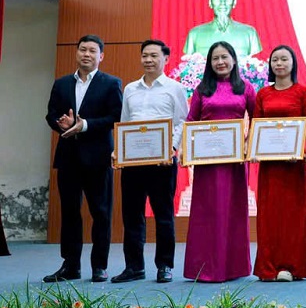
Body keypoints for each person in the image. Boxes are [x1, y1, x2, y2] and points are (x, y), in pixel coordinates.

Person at [43, 34, 122, 283]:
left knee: (101, 213)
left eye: (92, 51)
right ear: (76, 53)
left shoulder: (111, 83)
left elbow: (116, 116)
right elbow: (51, 114)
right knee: (69, 213)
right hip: (68, 157)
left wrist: (85, 125)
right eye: (82, 50)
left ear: (101, 56)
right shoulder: (61, 83)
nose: (86, 54)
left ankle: (99, 266)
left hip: (98, 158)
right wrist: (62, 124)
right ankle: (70, 266)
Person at [112, 39, 188, 284]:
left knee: (163, 215)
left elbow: (182, 121)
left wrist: (172, 148)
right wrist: (118, 150)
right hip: (133, 163)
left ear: (166, 58)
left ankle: (165, 265)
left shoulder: (175, 88)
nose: (148, 60)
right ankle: (134, 267)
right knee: (132, 215)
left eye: (154, 55)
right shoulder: (130, 89)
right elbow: (125, 123)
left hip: (162, 163)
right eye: (145, 55)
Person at [183, 41, 256, 282]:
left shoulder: (245, 88)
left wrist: (248, 144)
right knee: (207, 213)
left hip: (235, 163)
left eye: (225, 57)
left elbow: (258, 120)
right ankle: (204, 268)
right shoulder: (202, 89)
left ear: (234, 59)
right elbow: (191, 121)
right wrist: (186, 150)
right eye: (215, 58)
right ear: (209, 63)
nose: (220, 62)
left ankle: (233, 268)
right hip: (207, 163)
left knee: (232, 212)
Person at [252, 45, 306, 282]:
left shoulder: (303, 93)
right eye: (275, 60)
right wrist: (254, 150)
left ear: (293, 63)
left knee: (292, 215)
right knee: (269, 214)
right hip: (269, 167)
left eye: (284, 59)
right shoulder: (263, 94)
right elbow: (256, 125)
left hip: (292, 165)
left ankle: (292, 266)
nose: (279, 63)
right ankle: (269, 266)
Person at [182, 0, 263, 59]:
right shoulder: (195, 34)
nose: (222, 2)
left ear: (234, 2)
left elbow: (255, 63)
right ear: (210, 2)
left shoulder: (249, 33)